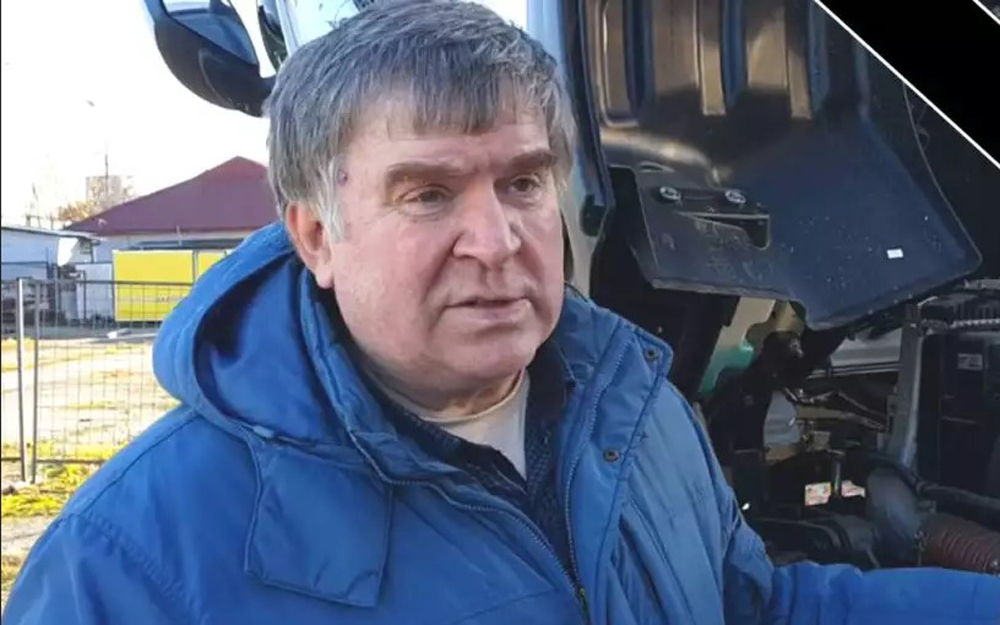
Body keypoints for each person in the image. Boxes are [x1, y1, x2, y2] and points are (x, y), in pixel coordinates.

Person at [5, 1, 999, 623]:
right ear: (314, 234)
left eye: (522, 182)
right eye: (428, 194)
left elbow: (759, 608)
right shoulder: (130, 561)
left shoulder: (641, 412)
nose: (496, 239)